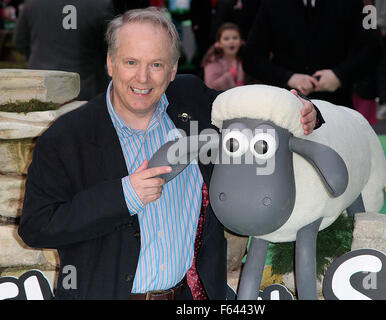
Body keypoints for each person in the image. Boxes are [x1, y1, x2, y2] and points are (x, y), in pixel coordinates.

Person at [18, 7, 321, 300]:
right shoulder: (67, 137)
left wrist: (306, 110)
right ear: (111, 63)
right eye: (131, 62)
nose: (143, 78)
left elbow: (255, 109)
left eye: (156, 64)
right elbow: (36, 226)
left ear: (174, 69)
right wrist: (124, 196)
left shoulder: (193, 100)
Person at [243, 0, 379, 109]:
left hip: (337, 106)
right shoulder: (272, 4)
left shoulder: (351, 3)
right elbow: (251, 57)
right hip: (287, 106)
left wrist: (340, 75)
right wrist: (287, 77)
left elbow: (373, 48)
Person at [13, 0, 113, 101]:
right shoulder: (100, 4)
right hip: (86, 87)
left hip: (41, 85)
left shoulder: (32, 4)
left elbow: (20, 41)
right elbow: (111, 47)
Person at [203, 22, 245, 91]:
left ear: (241, 42)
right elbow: (210, 86)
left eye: (235, 38)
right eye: (226, 39)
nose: (231, 41)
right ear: (219, 43)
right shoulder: (213, 60)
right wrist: (230, 75)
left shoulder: (244, 59)